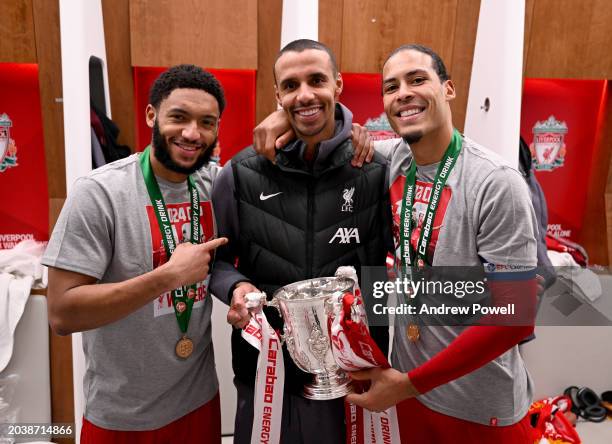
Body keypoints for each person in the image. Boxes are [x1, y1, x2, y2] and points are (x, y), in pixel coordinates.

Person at [341, 44, 539, 443]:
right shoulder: (393, 160)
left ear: (448, 89)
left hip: (479, 408)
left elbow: (515, 316)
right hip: (411, 391)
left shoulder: (495, 182)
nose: (403, 93)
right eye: (391, 86)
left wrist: (411, 384)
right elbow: (324, 140)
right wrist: (286, 121)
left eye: (417, 80)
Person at [209, 39, 391, 444]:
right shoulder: (240, 173)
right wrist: (236, 288)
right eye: (291, 85)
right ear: (277, 96)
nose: (305, 94)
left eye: (316, 80)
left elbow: (388, 269)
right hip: (266, 376)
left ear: (338, 85)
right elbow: (216, 262)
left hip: (353, 380)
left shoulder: (375, 170)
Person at [42, 64, 228, 444]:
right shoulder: (99, 193)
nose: (192, 134)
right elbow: (62, 313)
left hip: (198, 402)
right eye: (179, 117)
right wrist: (169, 276)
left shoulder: (216, 185)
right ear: (151, 115)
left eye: (206, 122)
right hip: (122, 415)